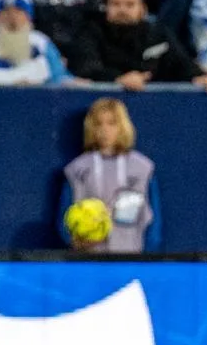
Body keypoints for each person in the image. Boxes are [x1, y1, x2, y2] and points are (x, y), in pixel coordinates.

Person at [60, 98, 160, 254]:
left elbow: (153, 221)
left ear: (122, 126)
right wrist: (75, 243)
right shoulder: (77, 169)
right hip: (88, 259)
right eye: (98, 124)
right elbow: (64, 219)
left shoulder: (142, 168)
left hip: (130, 257)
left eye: (112, 123)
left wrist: (145, 258)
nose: (105, 130)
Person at [83, 0, 201, 87]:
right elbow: (87, 68)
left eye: (130, 4)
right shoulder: (91, 33)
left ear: (143, 10)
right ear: (106, 8)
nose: (122, 10)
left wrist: (202, 78)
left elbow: (183, 64)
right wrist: (117, 79)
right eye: (115, 4)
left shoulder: (158, 35)